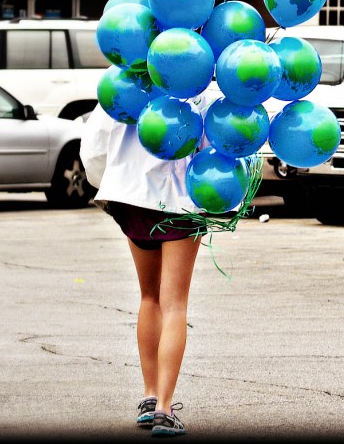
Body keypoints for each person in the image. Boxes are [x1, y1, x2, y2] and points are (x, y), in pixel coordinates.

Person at [80, 91, 218, 437]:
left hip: (131, 198)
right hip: (182, 201)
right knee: (174, 305)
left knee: (149, 297)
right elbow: (217, 147)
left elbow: (94, 146)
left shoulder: (128, 81)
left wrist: (113, 181)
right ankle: (164, 410)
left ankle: (149, 396)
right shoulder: (198, 87)